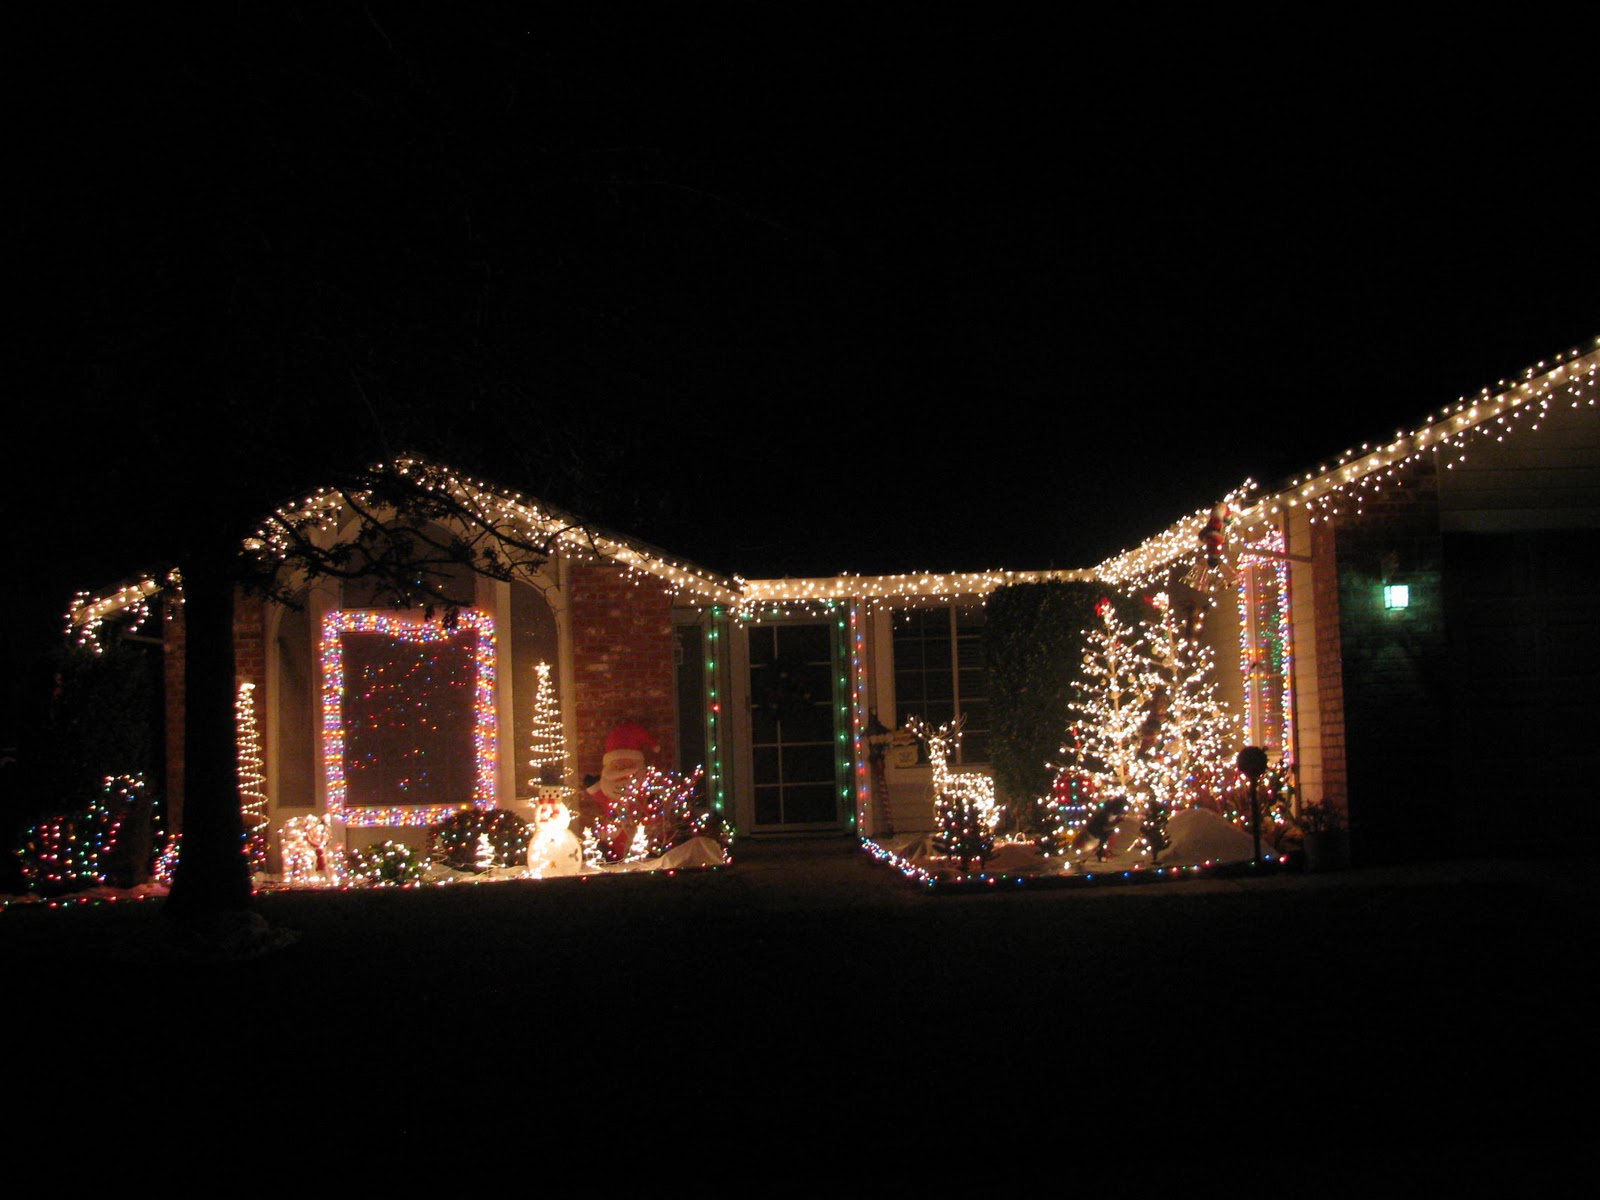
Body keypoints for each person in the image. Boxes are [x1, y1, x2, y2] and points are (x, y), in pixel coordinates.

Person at [580, 721, 660, 860]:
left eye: (627, 765)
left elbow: (653, 807)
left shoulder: (642, 792)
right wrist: (592, 785)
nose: (622, 770)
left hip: (638, 837)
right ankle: (610, 856)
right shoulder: (608, 791)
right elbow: (600, 795)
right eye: (617, 765)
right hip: (612, 838)